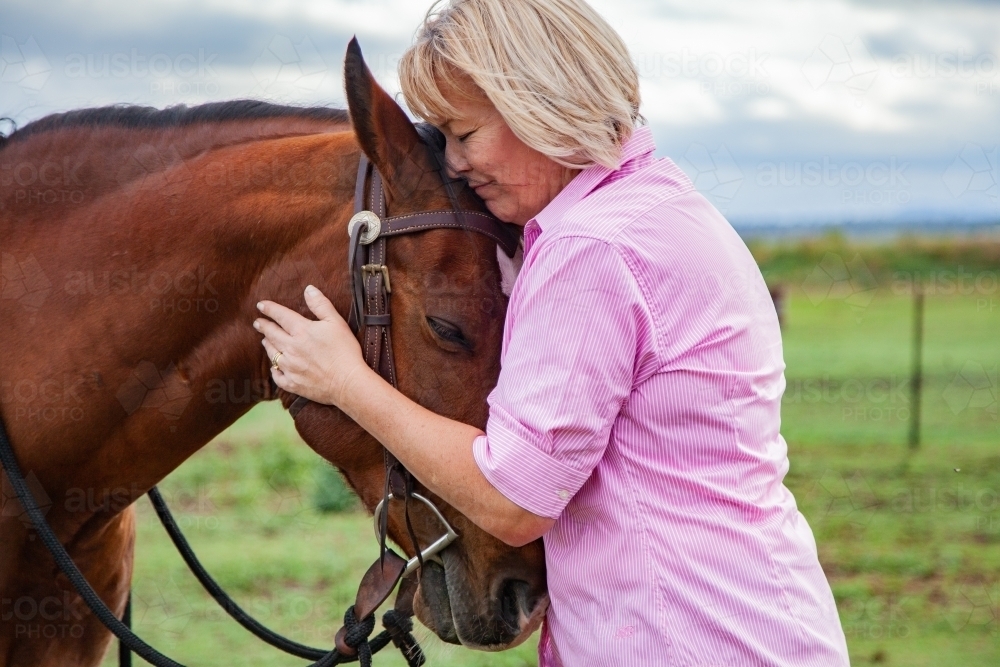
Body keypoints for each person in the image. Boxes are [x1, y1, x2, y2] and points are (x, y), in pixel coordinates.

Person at [253, 0, 850, 664]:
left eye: (464, 133)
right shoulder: (664, 207)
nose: (452, 163)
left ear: (536, 102)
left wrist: (347, 383)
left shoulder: (590, 249)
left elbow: (514, 500)